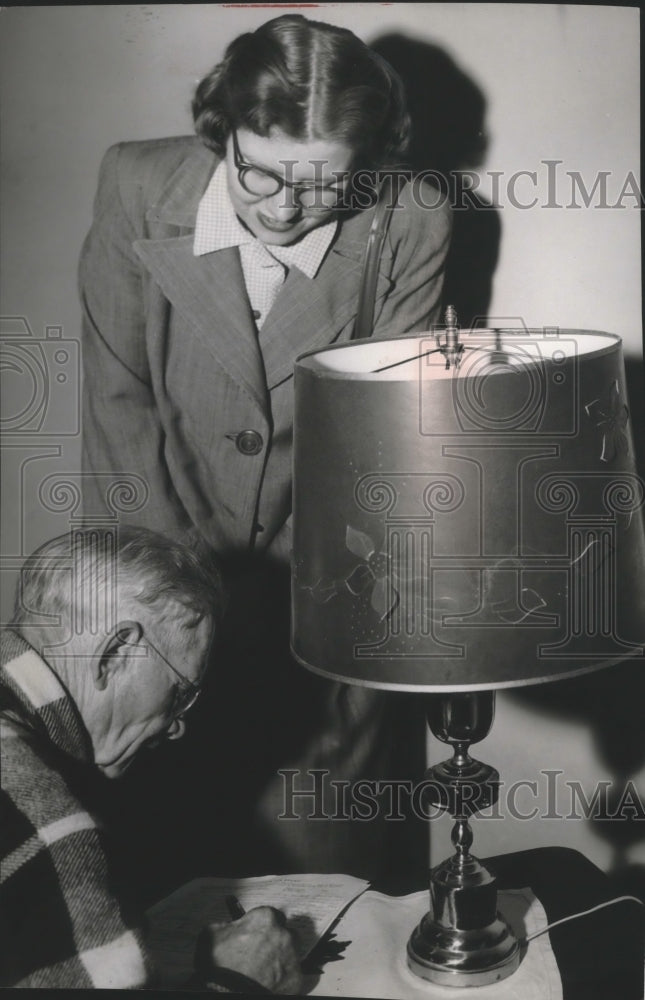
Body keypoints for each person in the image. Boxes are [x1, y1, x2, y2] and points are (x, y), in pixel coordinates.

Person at [79, 12, 451, 882]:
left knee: (330, 896)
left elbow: (383, 447)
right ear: (221, 132)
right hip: (160, 596)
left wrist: (308, 618)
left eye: (323, 186)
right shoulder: (135, 182)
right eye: (260, 175)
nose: (285, 209)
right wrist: (173, 617)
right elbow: (117, 406)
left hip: (330, 608)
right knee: (164, 890)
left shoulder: (412, 217)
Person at [0, 526, 302, 992]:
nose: (179, 725)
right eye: (181, 690)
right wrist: (238, 980)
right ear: (117, 653)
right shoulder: (43, 807)